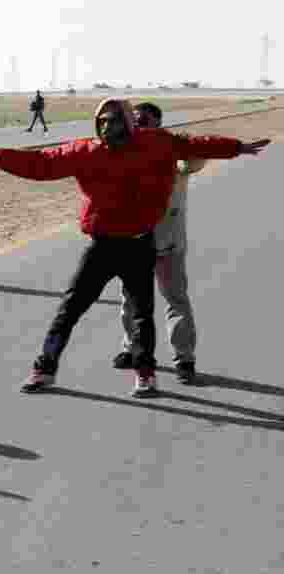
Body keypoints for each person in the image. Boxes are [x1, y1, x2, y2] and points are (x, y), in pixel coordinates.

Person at [0, 98, 269, 397]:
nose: (107, 127)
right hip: (102, 247)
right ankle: (44, 369)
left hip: (139, 245)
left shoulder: (157, 143)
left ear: (129, 123)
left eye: (114, 120)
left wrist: (237, 147)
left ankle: (146, 374)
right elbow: (43, 163)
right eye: (102, 121)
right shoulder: (86, 151)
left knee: (142, 315)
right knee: (70, 310)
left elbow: (197, 144)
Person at [112, 102, 204, 383]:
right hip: (132, 242)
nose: (138, 125)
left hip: (167, 242)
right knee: (130, 301)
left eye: (144, 120)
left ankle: (184, 359)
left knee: (175, 299)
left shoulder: (173, 154)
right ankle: (131, 348)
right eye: (135, 120)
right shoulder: (122, 151)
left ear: (158, 124)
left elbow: (192, 163)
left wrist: (187, 145)